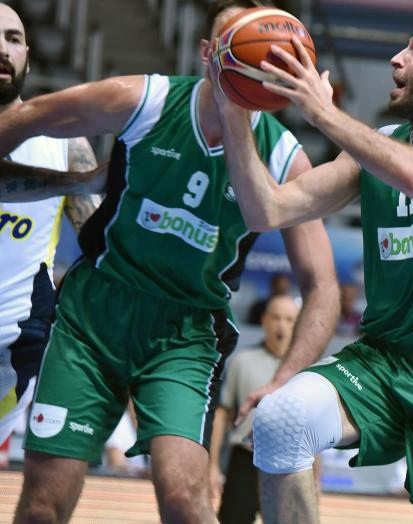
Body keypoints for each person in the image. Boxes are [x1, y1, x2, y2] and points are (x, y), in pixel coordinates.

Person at [0, 1, 339, 522]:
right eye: (235, 47)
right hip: (94, 317)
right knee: (42, 506)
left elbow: (322, 286)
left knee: (185, 498)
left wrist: (284, 376)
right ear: (208, 53)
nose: (248, 64)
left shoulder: (284, 156)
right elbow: (25, 117)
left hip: (185, 334)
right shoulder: (145, 100)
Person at [210, 15, 413, 523]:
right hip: (382, 359)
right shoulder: (378, 145)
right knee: (280, 419)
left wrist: (321, 110)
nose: (397, 58)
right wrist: (234, 112)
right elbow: (265, 210)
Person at [0, 3, 100, 445]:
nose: (3, 48)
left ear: (28, 56)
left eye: (13, 39)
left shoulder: (64, 145)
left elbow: (102, 243)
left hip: (12, 347)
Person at [209, 293, 299, 524]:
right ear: (264, 320)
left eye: (289, 319)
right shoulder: (243, 361)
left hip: (289, 465)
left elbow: (312, 427)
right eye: (276, 317)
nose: (282, 325)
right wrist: (212, 466)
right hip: (245, 461)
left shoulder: (305, 372)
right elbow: (222, 414)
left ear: (298, 325)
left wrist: (317, 478)